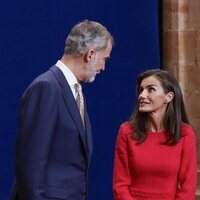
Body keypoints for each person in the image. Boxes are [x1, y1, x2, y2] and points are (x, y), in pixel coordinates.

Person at [9, 19, 114, 200]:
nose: (103, 67)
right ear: (90, 54)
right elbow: (30, 164)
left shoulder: (74, 92)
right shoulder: (47, 87)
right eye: (104, 59)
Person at [113, 69, 197, 200]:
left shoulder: (185, 133)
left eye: (150, 89)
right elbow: (120, 185)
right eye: (141, 90)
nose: (142, 95)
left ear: (168, 97)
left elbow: (188, 186)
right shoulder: (126, 131)